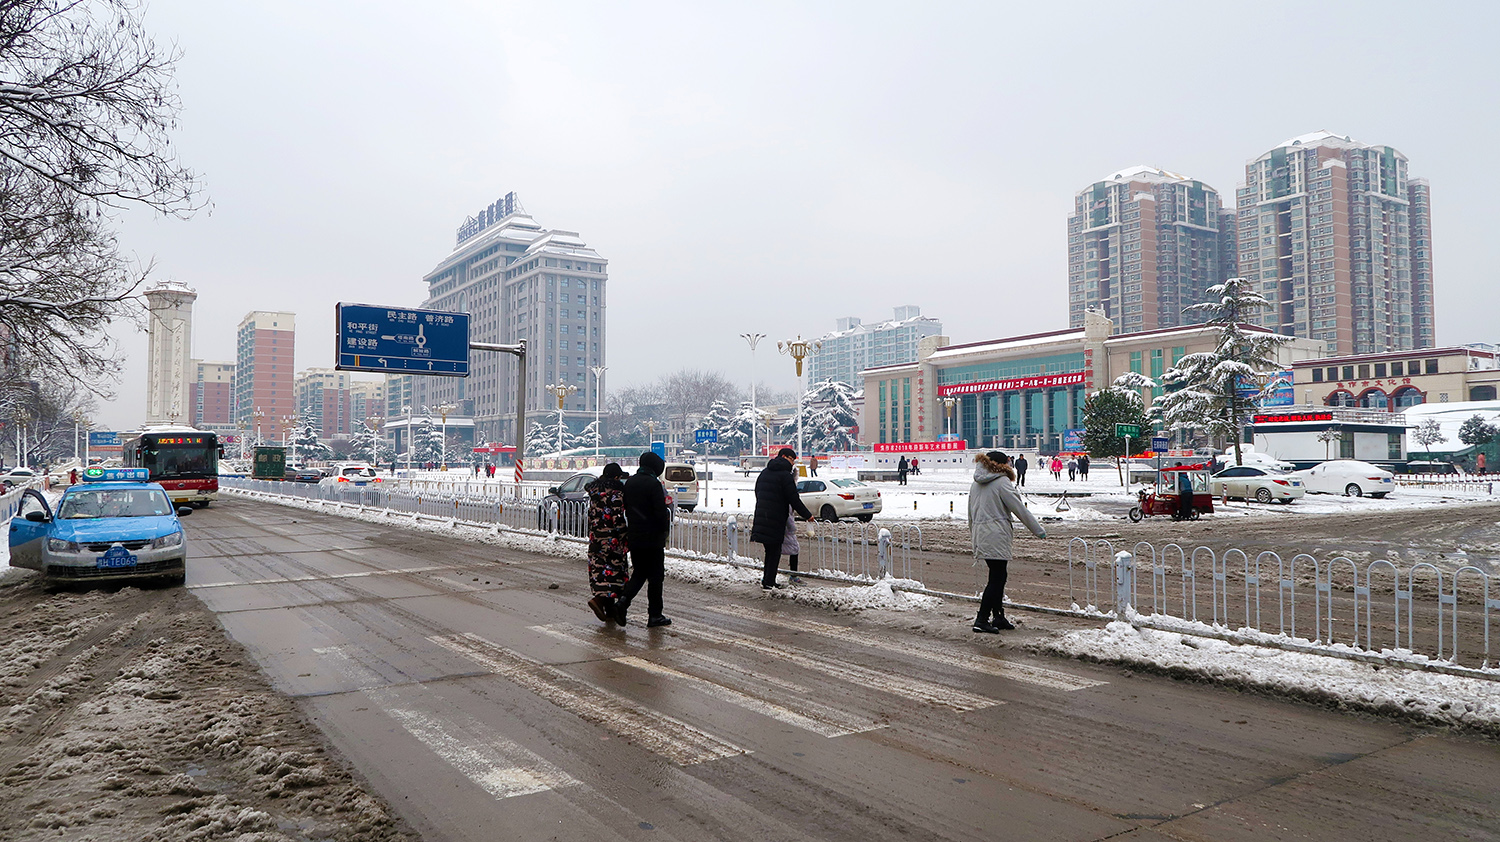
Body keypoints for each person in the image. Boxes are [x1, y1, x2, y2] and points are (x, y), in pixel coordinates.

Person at [967, 451, 1046, 633]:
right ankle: (982, 619)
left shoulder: (975, 484)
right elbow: (1019, 509)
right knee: (997, 578)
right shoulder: (1002, 482)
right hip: (996, 535)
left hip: (982, 535)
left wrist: (974, 537)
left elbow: (970, 515)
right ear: (1001, 465)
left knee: (997, 576)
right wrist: (1038, 531)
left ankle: (998, 617)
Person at [615, 452, 674, 627]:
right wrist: (664, 531)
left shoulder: (631, 482)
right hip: (652, 538)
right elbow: (660, 513)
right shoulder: (653, 484)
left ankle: (623, 602)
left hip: (635, 536)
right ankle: (655, 615)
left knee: (640, 572)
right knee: (656, 577)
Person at [751, 447, 813, 590]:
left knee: (770, 551)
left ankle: (768, 580)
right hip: (776, 518)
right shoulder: (785, 476)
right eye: (792, 460)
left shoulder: (764, 472)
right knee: (774, 552)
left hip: (762, 516)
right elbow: (794, 499)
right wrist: (807, 515)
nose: (793, 464)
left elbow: (758, 492)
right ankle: (769, 582)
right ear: (785, 457)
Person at [585, 463, 630, 624]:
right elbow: (617, 517)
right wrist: (625, 536)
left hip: (596, 539)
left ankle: (609, 611)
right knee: (614, 574)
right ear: (616, 478)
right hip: (612, 540)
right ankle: (600, 602)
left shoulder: (594, 493)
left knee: (600, 572)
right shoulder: (616, 493)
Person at [783, 506, 803, 585]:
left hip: (778, 531)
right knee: (795, 550)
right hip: (787, 533)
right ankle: (793, 575)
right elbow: (790, 523)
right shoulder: (787, 506)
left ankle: (768, 576)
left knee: (772, 553)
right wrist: (793, 529)